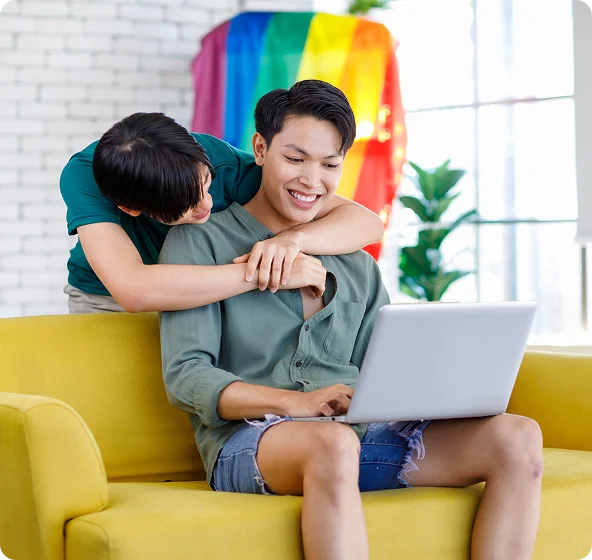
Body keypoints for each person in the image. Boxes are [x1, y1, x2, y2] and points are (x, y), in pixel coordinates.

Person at [159, 80, 544, 560]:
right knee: (331, 443)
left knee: (517, 436)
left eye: (329, 164)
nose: (311, 180)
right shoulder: (201, 242)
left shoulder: (357, 262)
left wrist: (431, 391)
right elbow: (186, 376)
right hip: (250, 443)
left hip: (359, 439)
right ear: (260, 149)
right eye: (295, 159)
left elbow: (379, 366)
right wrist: (295, 404)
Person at [59, 112, 384, 314]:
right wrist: (265, 273)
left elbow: (367, 223)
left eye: (206, 184)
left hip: (204, 291)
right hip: (104, 301)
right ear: (131, 208)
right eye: (185, 205)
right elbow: (133, 289)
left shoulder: (221, 160)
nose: (206, 204)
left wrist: (290, 242)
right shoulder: (85, 177)